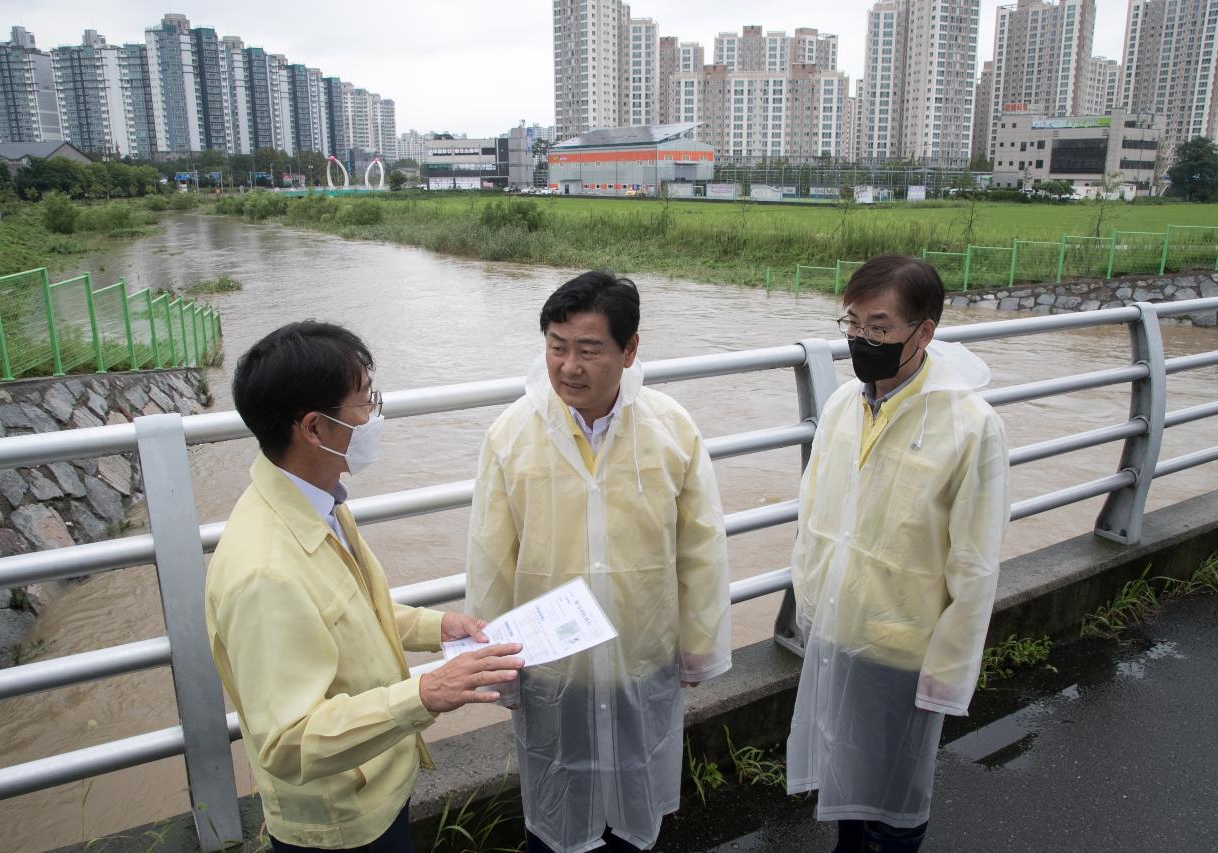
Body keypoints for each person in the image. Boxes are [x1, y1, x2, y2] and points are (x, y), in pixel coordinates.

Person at [205, 321, 524, 853]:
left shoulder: (316, 500)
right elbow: (288, 741)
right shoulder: (263, 572)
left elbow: (347, 609)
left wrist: (436, 626)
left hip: (376, 788)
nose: (374, 414)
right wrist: (426, 692)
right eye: (363, 401)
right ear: (314, 427)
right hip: (339, 825)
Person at [466, 270, 732, 853]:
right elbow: (491, 559)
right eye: (557, 347)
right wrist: (492, 664)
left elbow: (701, 545)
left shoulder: (669, 429)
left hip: (641, 659)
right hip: (553, 669)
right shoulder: (513, 433)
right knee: (558, 809)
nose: (568, 367)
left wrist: (701, 643)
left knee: (634, 815)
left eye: (589, 350)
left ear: (630, 349)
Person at [784, 255, 1010, 853]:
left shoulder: (967, 425)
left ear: (924, 332)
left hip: (905, 648)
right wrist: (810, 608)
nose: (862, 340)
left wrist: (948, 674)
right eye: (853, 323)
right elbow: (815, 517)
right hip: (837, 630)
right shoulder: (841, 408)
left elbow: (975, 562)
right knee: (845, 777)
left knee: (897, 798)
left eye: (880, 328)